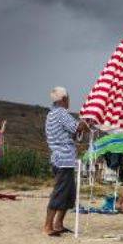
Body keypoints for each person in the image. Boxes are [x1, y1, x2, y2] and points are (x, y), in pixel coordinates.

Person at [44, 87, 82, 236]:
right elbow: (76, 127)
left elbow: (70, 133)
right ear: (64, 99)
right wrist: (88, 122)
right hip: (64, 159)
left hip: (61, 158)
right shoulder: (61, 113)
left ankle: (58, 224)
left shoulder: (51, 114)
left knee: (68, 193)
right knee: (60, 192)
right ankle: (48, 226)